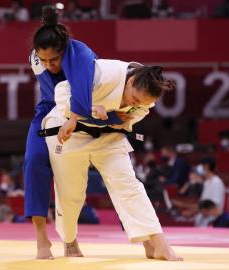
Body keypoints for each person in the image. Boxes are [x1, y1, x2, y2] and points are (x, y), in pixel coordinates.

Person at [43, 60, 182, 261]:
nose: (134, 104)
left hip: (108, 135)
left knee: (128, 185)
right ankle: (70, 241)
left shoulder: (146, 90)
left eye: (140, 102)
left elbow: (141, 111)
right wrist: (91, 109)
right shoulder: (102, 74)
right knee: (71, 192)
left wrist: (117, 119)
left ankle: (156, 242)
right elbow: (62, 91)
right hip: (69, 132)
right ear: (130, 81)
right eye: (134, 98)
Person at [24, 5, 123, 260]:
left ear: (64, 51)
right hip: (48, 112)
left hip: (83, 112)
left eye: (54, 60)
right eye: (43, 60)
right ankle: (41, 238)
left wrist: (98, 112)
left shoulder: (81, 55)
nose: (49, 65)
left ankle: (70, 239)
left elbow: (88, 94)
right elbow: (51, 93)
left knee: (67, 177)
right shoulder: (36, 58)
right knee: (33, 162)